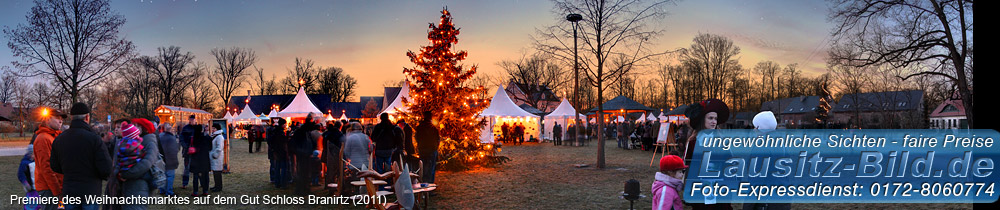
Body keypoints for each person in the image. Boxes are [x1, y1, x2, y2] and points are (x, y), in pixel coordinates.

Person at [50, 103, 112, 210]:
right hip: (90, 191)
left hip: (70, 191)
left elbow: (54, 166)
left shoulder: (60, 139)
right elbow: (106, 168)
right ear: (87, 117)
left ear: (72, 117)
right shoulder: (94, 139)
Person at [682, 99, 731, 210]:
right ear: (702, 119)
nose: (714, 121)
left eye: (715, 119)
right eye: (710, 118)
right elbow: (687, 167)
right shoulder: (693, 142)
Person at [33, 108, 65, 210]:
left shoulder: (53, 137)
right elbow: (47, 168)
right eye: (57, 118)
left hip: (55, 187)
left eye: (61, 118)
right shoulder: (43, 138)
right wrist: (57, 191)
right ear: (47, 119)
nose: (61, 121)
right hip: (48, 188)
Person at [291, 114, 321, 196]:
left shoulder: (305, 133)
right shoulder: (301, 132)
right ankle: (301, 190)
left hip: (305, 154)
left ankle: (305, 189)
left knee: (306, 173)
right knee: (303, 173)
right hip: (302, 155)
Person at [415, 111, 440, 184]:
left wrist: (420, 145)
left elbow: (417, 137)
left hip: (423, 149)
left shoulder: (420, 127)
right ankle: (430, 185)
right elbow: (437, 138)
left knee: (423, 167)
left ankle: (423, 183)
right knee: (431, 168)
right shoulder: (433, 128)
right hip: (431, 150)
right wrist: (435, 147)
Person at [187, 124, 211, 197]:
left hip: (195, 159)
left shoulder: (193, 138)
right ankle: (205, 190)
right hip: (205, 158)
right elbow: (210, 147)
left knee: (196, 176)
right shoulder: (207, 138)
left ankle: (195, 191)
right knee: (205, 175)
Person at [267, 118, 290, 189]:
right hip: (282, 152)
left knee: (277, 167)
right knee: (283, 168)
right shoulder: (280, 132)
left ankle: (277, 182)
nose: (285, 125)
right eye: (285, 124)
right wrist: (288, 134)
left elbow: (270, 141)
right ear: (282, 124)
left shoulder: (274, 131)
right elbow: (284, 141)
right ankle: (283, 183)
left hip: (276, 152)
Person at [158, 123, 180, 196]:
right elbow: (176, 149)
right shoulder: (172, 138)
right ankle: (169, 192)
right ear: (170, 130)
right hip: (170, 160)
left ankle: (162, 189)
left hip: (161, 159)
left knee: (162, 175)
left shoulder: (159, 136)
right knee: (170, 176)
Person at [324, 121, 344, 193]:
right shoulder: (340, 134)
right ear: (340, 127)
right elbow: (342, 144)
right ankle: (338, 187)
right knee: (338, 172)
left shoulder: (328, 133)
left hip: (329, 154)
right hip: (337, 155)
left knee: (330, 172)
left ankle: (330, 188)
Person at [178, 115, 198, 189]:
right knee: (187, 167)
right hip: (187, 151)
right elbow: (181, 138)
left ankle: (200, 183)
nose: (191, 121)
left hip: (196, 151)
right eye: (190, 120)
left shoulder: (198, 128)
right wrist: (185, 146)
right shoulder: (185, 128)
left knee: (197, 167)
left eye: (193, 120)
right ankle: (185, 183)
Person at [209, 123, 226, 192]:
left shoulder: (219, 137)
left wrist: (214, 155)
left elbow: (219, 147)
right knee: (215, 173)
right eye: (212, 128)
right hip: (214, 157)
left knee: (217, 173)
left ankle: (218, 187)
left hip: (217, 157)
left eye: (214, 128)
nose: (213, 129)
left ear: (217, 129)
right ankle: (216, 186)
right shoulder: (215, 135)